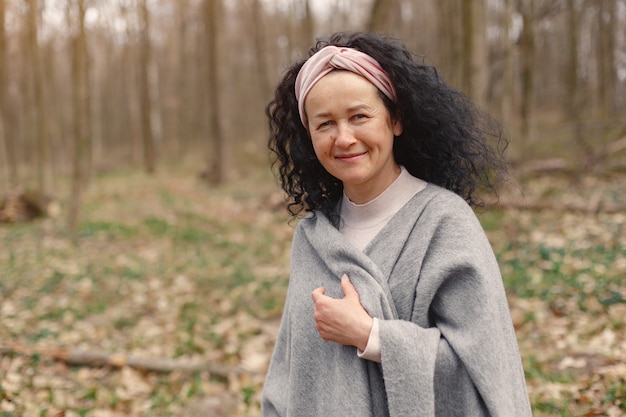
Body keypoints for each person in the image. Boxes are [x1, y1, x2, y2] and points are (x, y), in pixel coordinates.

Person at [261, 31, 532, 417]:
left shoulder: (444, 222)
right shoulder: (312, 237)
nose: (344, 138)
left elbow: (485, 375)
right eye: (325, 124)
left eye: (359, 117)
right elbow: (290, 376)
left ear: (396, 120)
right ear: (309, 137)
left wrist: (370, 336)